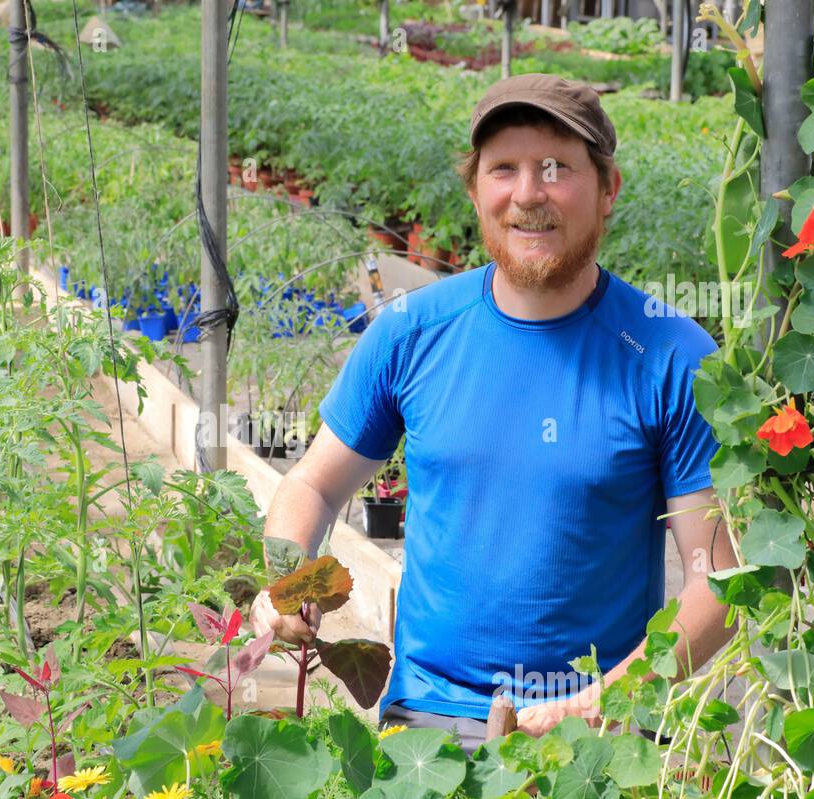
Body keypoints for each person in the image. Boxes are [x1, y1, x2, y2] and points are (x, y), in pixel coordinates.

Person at [249, 74, 740, 754]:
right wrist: (287, 582)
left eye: (556, 168)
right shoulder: (412, 332)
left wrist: (605, 701)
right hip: (428, 725)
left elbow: (716, 582)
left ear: (609, 189)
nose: (528, 193)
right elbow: (315, 484)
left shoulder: (667, 353)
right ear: (475, 191)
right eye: (503, 168)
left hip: (600, 737)